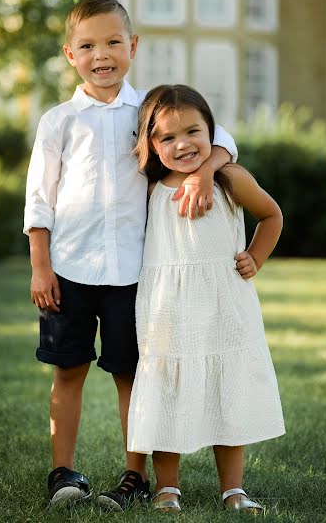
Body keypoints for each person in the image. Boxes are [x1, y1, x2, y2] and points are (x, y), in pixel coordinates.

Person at [23, 0, 238, 511]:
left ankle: (133, 474)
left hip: (132, 273)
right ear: (70, 54)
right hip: (69, 270)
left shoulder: (148, 114)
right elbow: (39, 199)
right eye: (88, 45)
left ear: (133, 47)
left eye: (114, 42)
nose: (103, 54)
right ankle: (63, 472)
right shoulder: (58, 122)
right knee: (68, 370)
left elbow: (222, 137)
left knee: (133, 375)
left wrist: (207, 171)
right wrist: (40, 266)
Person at [127, 84, 285, 513]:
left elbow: (272, 215)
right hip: (167, 309)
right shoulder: (147, 187)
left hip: (223, 304)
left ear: (212, 132)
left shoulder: (229, 178)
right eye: (167, 138)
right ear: (151, 143)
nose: (183, 144)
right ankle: (167, 488)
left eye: (193, 132)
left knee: (225, 388)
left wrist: (255, 255)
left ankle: (233, 489)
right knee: (166, 390)